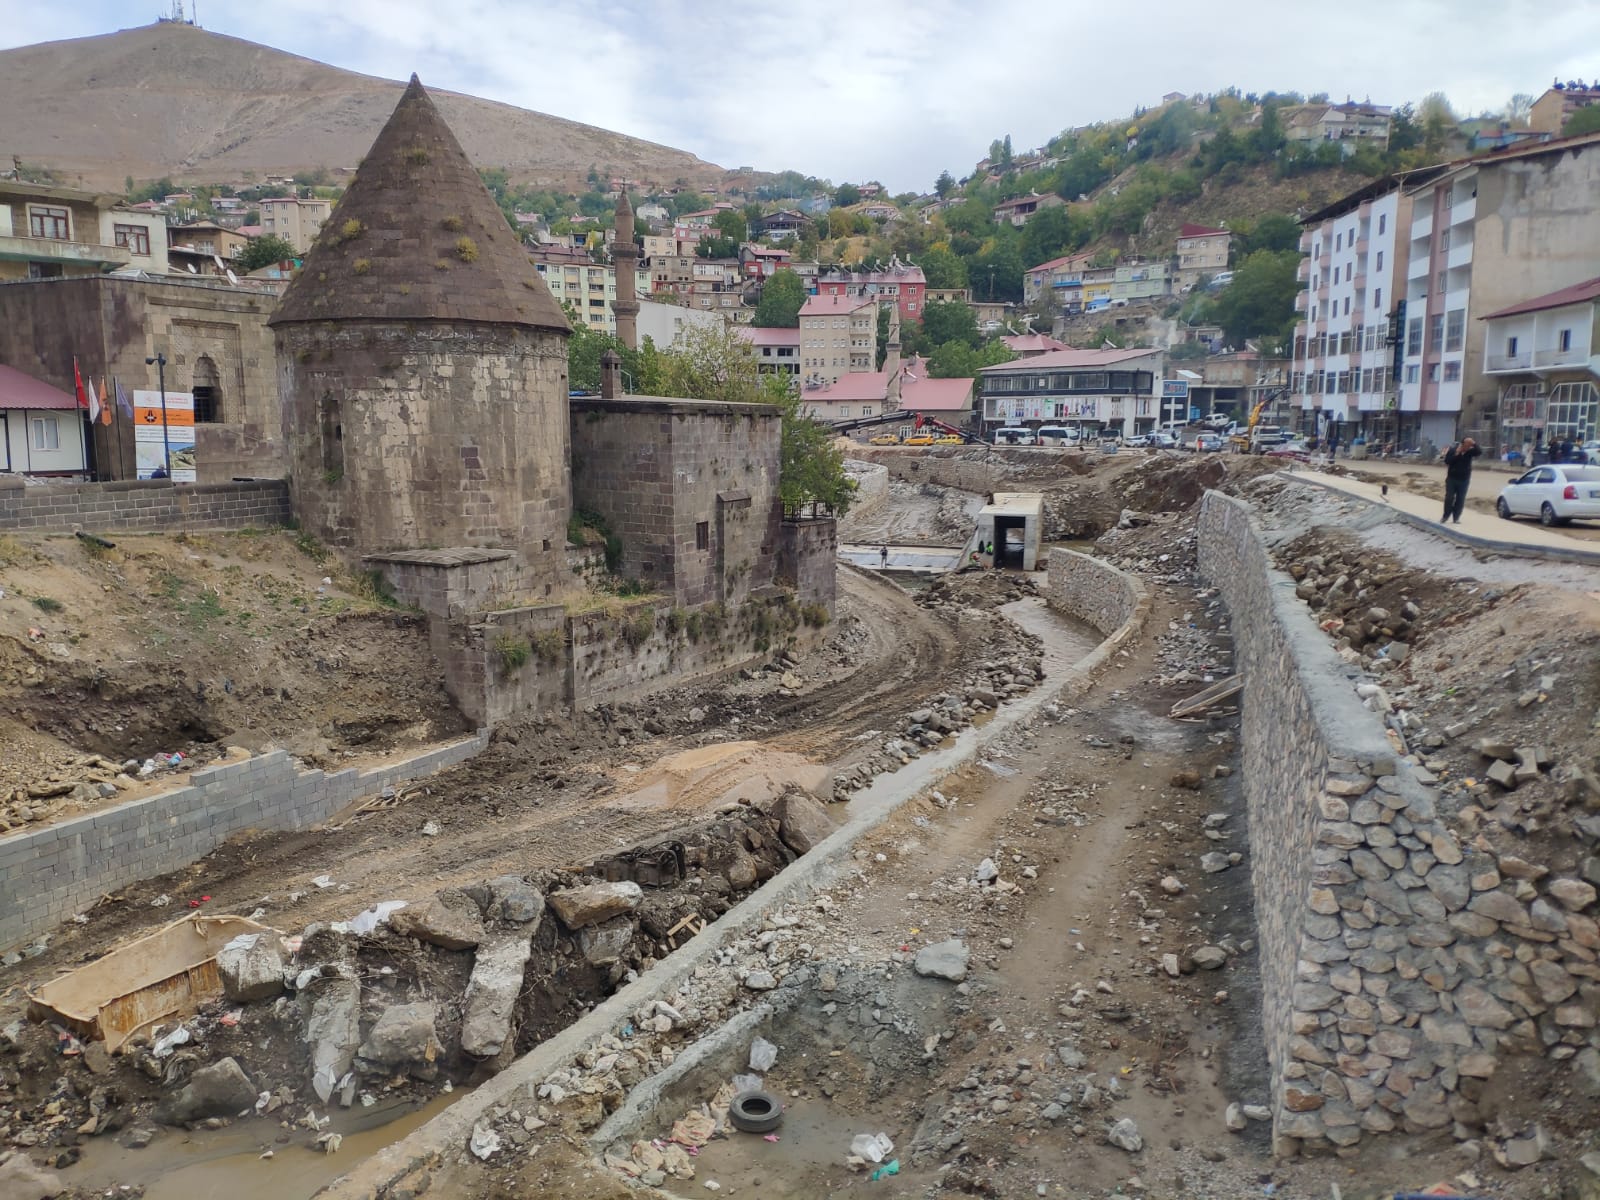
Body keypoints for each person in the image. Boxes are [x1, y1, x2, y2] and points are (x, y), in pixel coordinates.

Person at [1441, 437, 1481, 525]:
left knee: (1460, 499)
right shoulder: (1453, 450)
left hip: (1464, 479)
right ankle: (1446, 516)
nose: (1468, 447)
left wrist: (1474, 443)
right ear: (1462, 444)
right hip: (1452, 478)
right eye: (1467, 445)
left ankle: (1456, 517)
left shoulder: (1470, 452)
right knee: (1449, 498)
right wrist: (1457, 454)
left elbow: (1479, 452)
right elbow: (1447, 461)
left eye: (1470, 446)